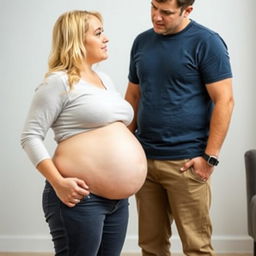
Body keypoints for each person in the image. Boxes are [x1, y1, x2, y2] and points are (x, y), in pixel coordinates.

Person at [20, 10, 147, 256]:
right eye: (98, 33)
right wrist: (59, 183)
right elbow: (30, 136)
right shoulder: (58, 82)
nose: (106, 38)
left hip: (118, 202)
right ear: (76, 40)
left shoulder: (105, 80)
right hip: (79, 197)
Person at [125, 0, 234, 255]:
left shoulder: (207, 42)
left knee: (197, 248)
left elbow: (224, 101)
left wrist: (209, 158)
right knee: (151, 247)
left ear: (188, 10)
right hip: (146, 161)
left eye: (166, 12)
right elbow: (132, 97)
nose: (156, 17)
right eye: (153, 7)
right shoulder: (142, 42)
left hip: (187, 163)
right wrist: (127, 149)